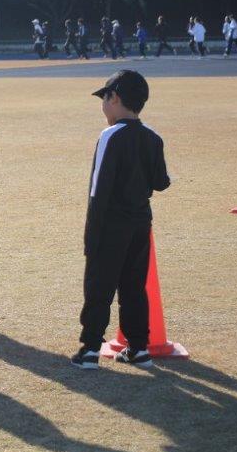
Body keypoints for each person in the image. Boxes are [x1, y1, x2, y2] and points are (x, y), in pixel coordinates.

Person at [72, 70, 171, 370]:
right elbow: (161, 182)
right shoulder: (153, 137)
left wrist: (91, 236)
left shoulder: (110, 135)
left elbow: (98, 190)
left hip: (110, 224)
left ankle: (90, 349)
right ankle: (138, 348)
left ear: (114, 98)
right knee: (134, 287)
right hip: (141, 224)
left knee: (99, 286)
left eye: (104, 98)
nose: (103, 105)